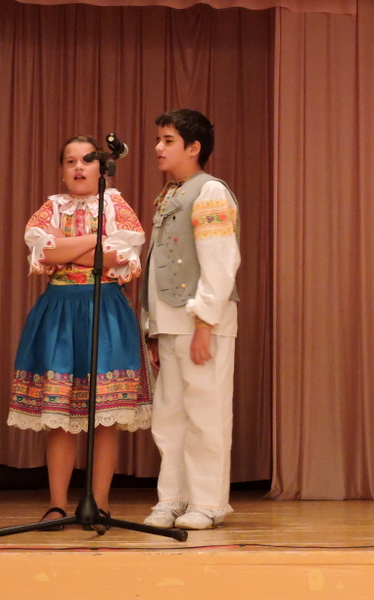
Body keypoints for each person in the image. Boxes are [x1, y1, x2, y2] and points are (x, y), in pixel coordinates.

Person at [7, 135, 150, 529]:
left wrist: (67, 246)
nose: (78, 167)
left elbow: (122, 255)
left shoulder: (116, 205)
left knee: (105, 416)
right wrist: (95, 242)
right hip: (59, 311)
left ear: (102, 168)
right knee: (59, 414)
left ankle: (100, 502)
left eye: (86, 160)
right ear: (62, 170)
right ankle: (57, 504)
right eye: (70, 161)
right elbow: (44, 251)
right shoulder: (51, 207)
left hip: (105, 309)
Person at [140, 109, 241, 530]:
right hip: (169, 322)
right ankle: (174, 498)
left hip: (201, 322)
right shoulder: (171, 194)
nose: (158, 148)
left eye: (168, 140)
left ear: (193, 147)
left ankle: (208, 501)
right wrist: (151, 329)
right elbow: (157, 264)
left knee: (205, 412)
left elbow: (220, 261)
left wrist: (205, 324)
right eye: (159, 139)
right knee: (170, 418)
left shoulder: (210, 191)